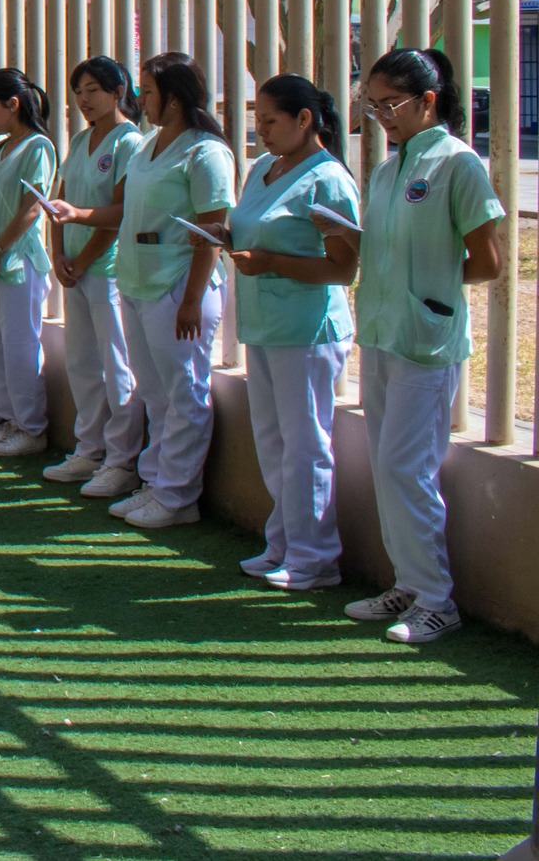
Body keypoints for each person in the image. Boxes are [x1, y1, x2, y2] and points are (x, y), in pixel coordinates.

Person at [329, 47, 503, 643]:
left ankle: (436, 600)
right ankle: (409, 582)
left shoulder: (458, 164)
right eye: (371, 105)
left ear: (429, 101)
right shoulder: (387, 168)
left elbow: (487, 262)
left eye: (391, 104)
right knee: (387, 466)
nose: (381, 116)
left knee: (409, 469)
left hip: (426, 342)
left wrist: (430, 292)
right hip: (381, 336)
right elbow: (384, 246)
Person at [218, 73, 359, 592]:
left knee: (305, 444)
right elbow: (253, 225)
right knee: (274, 441)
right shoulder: (262, 168)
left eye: (270, 121)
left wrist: (270, 260)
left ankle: (316, 557)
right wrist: (225, 235)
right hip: (266, 322)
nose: (261, 132)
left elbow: (343, 269)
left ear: (305, 120)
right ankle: (284, 542)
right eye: (257, 122)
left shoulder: (329, 179)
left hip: (307, 328)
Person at [100, 53, 236, 528]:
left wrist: (193, 299)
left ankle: (179, 496)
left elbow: (212, 229)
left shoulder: (206, 152)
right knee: (155, 392)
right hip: (138, 281)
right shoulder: (149, 145)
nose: (141, 100)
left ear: (174, 99)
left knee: (183, 392)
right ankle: (156, 482)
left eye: (149, 92)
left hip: (178, 286)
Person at [42, 57, 145, 495]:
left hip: (107, 270)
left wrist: (81, 260)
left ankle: (122, 461)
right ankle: (89, 449)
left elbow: (120, 213)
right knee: (83, 362)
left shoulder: (130, 142)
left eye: (92, 90)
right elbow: (59, 202)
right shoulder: (81, 140)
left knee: (116, 365)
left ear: (118, 90)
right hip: (76, 269)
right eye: (78, 92)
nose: (84, 100)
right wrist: (59, 255)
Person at [0, 69, 59, 456]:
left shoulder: (38, 147)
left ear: (13, 105)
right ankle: (9, 420)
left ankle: (31, 426)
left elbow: (31, 208)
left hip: (16, 260)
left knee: (20, 344)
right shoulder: (0, 147)